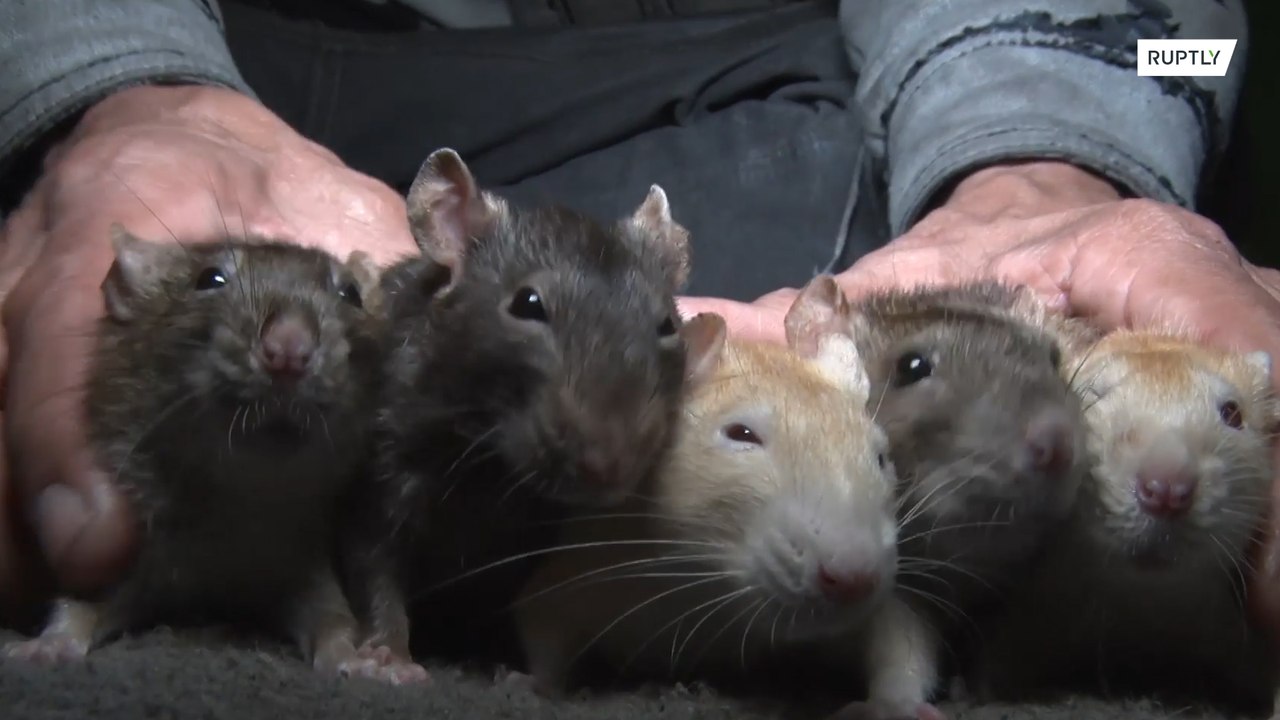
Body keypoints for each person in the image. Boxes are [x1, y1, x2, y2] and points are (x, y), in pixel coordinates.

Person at [3, 0, 1278, 640]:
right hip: (270, 45)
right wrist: (113, 86)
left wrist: (1047, 150)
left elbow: (1204, 54)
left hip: (764, 64)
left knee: (1178, 58)